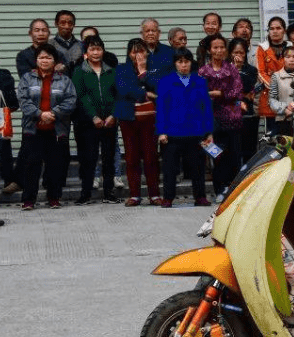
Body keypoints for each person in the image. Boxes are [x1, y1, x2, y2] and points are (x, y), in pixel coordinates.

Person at [16, 44, 76, 210]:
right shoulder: (27, 78)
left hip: (57, 129)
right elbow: (23, 100)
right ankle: (28, 200)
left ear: (54, 61)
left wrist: (52, 113)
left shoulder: (64, 80)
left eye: (48, 57)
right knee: (31, 166)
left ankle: (54, 198)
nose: (45, 60)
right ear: (36, 60)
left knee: (55, 165)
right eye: (41, 57)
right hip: (32, 129)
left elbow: (71, 101)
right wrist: (39, 114)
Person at [156, 48, 213, 208]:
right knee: (170, 169)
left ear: (191, 63)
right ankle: (168, 197)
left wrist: (209, 132)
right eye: (180, 62)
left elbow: (206, 108)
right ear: (175, 63)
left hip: (196, 131)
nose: (183, 65)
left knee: (198, 167)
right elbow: (161, 108)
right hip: (173, 132)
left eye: (186, 62)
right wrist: (161, 131)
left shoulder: (200, 81)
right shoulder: (166, 82)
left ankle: (200, 196)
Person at [71, 35, 119, 204]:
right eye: (92, 49)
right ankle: (85, 194)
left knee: (108, 158)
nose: (96, 52)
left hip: (110, 122)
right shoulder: (79, 71)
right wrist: (94, 116)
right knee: (88, 159)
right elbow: (81, 96)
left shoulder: (111, 70)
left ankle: (109, 193)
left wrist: (113, 115)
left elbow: (117, 95)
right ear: (86, 52)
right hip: (88, 123)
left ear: (103, 51)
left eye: (99, 49)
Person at [115, 38, 162, 206]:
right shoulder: (121, 69)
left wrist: (143, 72)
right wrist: (146, 94)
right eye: (135, 51)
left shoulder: (154, 70)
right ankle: (134, 194)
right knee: (132, 157)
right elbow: (124, 89)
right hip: (129, 119)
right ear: (129, 53)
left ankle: (154, 195)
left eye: (142, 51)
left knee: (151, 157)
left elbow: (158, 88)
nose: (138, 55)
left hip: (151, 119)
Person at [198, 33, 243, 198]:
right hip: (212, 121)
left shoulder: (231, 69)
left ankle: (234, 190)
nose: (219, 50)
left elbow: (237, 92)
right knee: (216, 155)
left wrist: (219, 93)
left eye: (222, 47)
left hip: (232, 119)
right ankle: (219, 189)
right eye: (215, 47)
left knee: (234, 156)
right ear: (209, 50)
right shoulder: (203, 71)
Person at [255, 16, 291, 135]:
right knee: (272, 138)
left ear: (284, 30)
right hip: (270, 99)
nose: (275, 31)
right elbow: (261, 72)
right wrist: (277, 87)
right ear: (268, 31)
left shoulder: (291, 47)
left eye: (278, 28)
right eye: (271, 28)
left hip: (289, 98)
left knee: (289, 137)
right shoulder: (262, 48)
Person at [228, 37, 260, 161]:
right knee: (233, 149)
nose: (238, 55)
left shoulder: (251, 70)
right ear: (230, 53)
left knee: (249, 148)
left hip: (249, 114)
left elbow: (248, 86)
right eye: (235, 52)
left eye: (241, 52)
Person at [0, 67, 20, 197]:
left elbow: (12, 103)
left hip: (0, 122)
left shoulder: (3, 76)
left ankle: (9, 181)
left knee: (3, 149)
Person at [51, 10, 83, 76]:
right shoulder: (49, 45)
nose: (67, 26)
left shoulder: (81, 45)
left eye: (70, 23)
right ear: (56, 24)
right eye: (63, 23)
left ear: (74, 25)